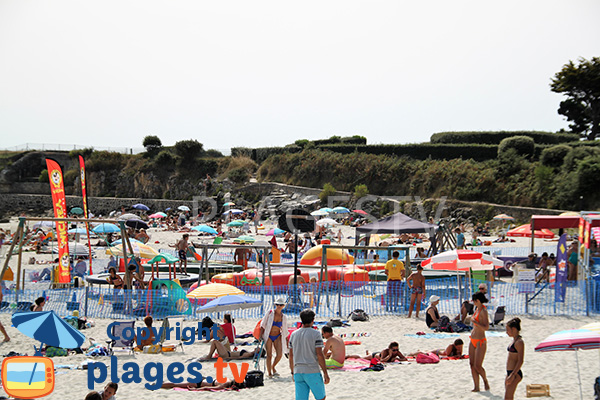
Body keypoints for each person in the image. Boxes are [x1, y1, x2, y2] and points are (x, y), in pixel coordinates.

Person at [289, 309, 329, 400]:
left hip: (298, 371)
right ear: (312, 320)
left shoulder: (293, 334)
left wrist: (292, 372)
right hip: (312, 370)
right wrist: (325, 373)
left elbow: (291, 356)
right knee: (321, 397)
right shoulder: (316, 334)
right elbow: (319, 354)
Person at [259, 298, 289, 377]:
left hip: (278, 335)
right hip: (268, 335)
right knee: (269, 355)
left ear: (283, 306)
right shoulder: (269, 313)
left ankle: (273, 366)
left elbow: (285, 330)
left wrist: (287, 341)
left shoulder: (284, 317)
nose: (279, 306)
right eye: (277, 305)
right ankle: (269, 373)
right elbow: (263, 325)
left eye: (281, 305)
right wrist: (260, 336)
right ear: (275, 305)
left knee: (279, 354)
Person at [469, 292, 490, 392]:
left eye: (474, 301)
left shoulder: (483, 311)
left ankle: (485, 380)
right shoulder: (477, 309)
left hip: (480, 340)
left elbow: (486, 327)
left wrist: (475, 322)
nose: (473, 303)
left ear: (477, 301)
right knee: (471, 364)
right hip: (472, 339)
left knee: (478, 366)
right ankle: (476, 386)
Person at [505, 318, 524, 400]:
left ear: (514, 329)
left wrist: (512, 375)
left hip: (515, 373)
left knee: (508, 397)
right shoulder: (514, 340)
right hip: (509, 372)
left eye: (507, 330)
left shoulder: (519, 342)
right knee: (508, 396)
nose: (506, 332)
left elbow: (520, 361)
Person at [161, 377, 244, 390]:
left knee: (177, 384)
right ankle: (160, 385)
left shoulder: (228, 379)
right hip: (199, 383)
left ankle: (163, 384)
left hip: (202, 380)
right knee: (175, 385)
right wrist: (197, 389)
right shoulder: (227, 382)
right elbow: (214, 388)